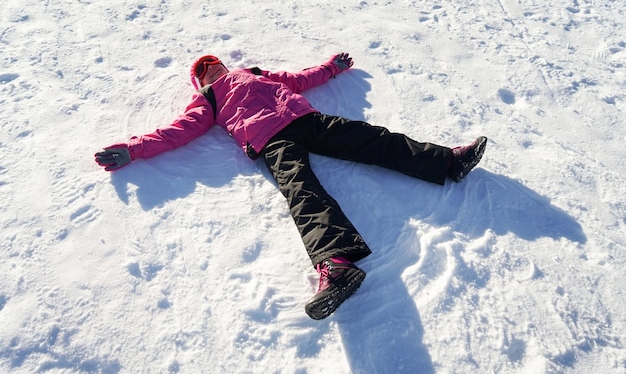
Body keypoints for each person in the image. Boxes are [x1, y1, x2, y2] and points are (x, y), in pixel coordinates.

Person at [95, 53, 487, 320]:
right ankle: (336, 265)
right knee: (302, 192)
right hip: (272, 140)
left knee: (373, 138)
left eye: (214, 64)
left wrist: (331, 68)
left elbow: (300, 79)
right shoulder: (209, 101)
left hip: (307, 119)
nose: (212, 70)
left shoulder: (256, 73)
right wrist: (134, 149)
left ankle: (447, 161)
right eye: (205, 71)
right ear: (199, 82)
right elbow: (176, 131)